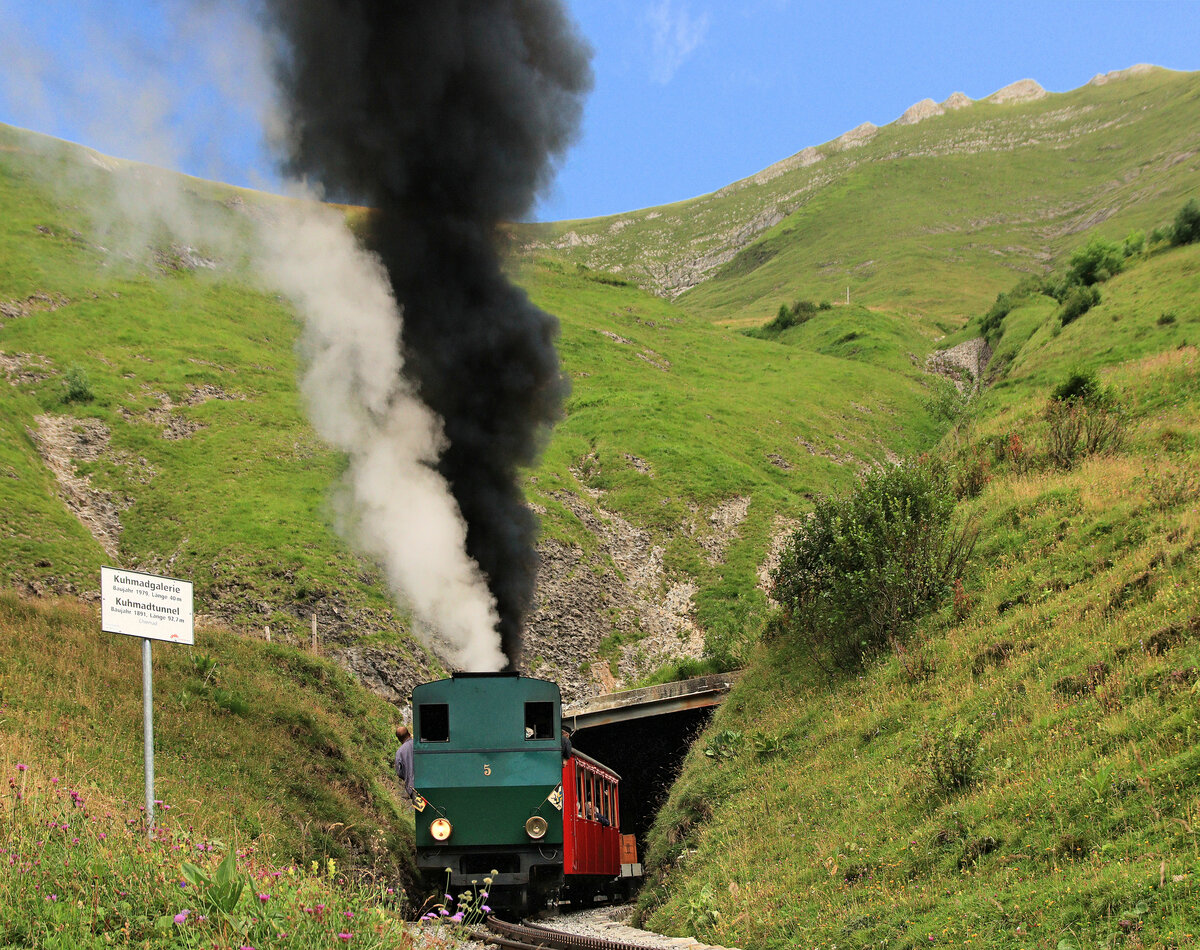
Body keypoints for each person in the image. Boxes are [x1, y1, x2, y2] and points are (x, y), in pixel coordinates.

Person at [394, 724, 414, 800]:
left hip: (413, 790)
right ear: (409, 734)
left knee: (421, 811)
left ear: (399, 739)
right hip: (428, 785)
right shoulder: (419, 745)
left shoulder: (399, 752)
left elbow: (399, 772)